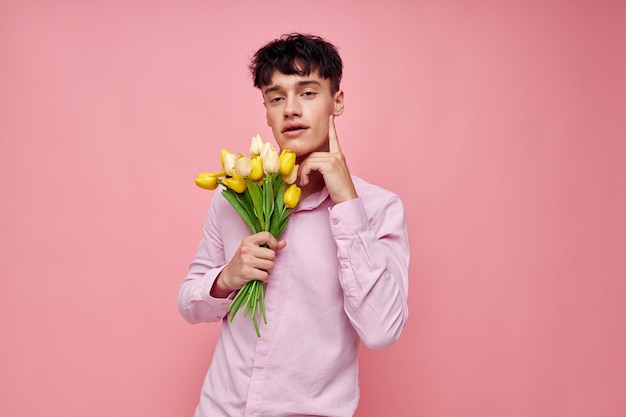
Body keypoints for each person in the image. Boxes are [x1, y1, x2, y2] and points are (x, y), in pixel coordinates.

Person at [178, 33, 410, 417]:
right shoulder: (234, 195)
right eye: (276, 97)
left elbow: (382, 330)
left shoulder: (379, 208)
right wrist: (226, 278)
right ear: (266, 112)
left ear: (337, 101)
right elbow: (190, 304)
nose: (290, 109)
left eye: (307, 93)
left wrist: (348, 206)